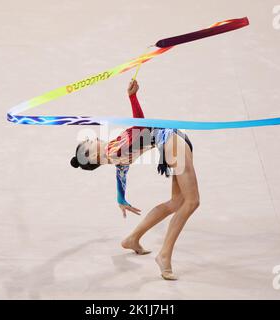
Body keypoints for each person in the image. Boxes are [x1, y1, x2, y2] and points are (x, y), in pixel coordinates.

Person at [70, 79, 200, 280]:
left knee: (177, 202)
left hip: (173, 144)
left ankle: (133, 238)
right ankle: (164, 254)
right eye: (87, 146)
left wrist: (121, 199)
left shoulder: (116, 157)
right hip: (172, 142)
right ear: (93, 158)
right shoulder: (115, 151)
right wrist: (132, 97)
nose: (90, 139)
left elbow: (120, 181)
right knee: (191, 202)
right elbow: (141, 125)